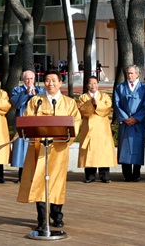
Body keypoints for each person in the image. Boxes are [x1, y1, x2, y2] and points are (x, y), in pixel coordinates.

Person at [17, 71, 82, 231]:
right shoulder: (36, 101)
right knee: (40, 181)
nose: (50, 83)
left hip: (59, 148)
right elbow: (27, 119)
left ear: (60, 83)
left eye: (54, 80)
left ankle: (57, 215)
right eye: (47, 80)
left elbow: (77, 121)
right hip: (39, 148)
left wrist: (67, 139)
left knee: (57, 182)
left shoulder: (69, 103)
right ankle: (41, 219)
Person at [114, 65, 145, 182]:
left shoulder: (144, 88)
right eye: (128, 73)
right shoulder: (120, 87)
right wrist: (125, 118)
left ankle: (136, 174)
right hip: (125, 123)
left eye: (132, 73)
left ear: (137, 74)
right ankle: (126, 174)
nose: (129, 75)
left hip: (138, 123)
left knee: (137, 147)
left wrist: (136, 118)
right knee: (125, 147)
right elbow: (117, 103)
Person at [77, 76, 116, 183]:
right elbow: (82, 110)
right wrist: (90, 103)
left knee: (103, 151)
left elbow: (107, 108)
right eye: (91, 83)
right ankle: (90, 176)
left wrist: (97, 104)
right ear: (87, 85)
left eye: (95, 83)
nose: (93, 85)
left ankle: (105, 176)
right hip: (88, 127)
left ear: (98, 84)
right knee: (90, 151)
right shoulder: (83, 97)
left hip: (102, 127)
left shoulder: (104, 96)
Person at [10, 70, 44, 183]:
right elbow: (17, 103)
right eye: (27, 79)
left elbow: (44, 104)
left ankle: (36, 175)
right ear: (23, 79)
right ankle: (22, 176)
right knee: (22, 148)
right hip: (23, 122)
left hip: (36, 123)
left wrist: (35, 95)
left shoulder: (40, 90)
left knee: (35, 147)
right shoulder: (18, 90)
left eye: (31, 79)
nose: (29, 81)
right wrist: (26, 93)